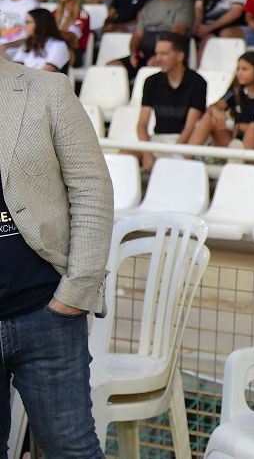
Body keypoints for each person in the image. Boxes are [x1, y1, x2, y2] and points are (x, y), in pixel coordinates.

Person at [0, 53, 113, 459]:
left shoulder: (47, 90)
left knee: (72, 448)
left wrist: (75, 292)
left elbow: (92, 189)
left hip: (45, 314)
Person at [188, 51, 254, 151]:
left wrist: (243, 127)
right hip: (236, 143)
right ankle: (187, 156)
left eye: (244, 69)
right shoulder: (236, 91)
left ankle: (239, 163)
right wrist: (216, 111)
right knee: (210, 116)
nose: (239, 73)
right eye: (238, 69)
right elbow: (214, 106)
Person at [137, 33, 207, 173]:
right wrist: (147, 152)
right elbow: (142, 125)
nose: (158, 59)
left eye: (164, 54)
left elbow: (189, 128)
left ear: (180, 56)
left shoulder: (197, 82)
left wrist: (171, 154)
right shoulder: (151, 81)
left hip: (184, 143)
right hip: (158, 141)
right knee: (125, 156)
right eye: (157, 53)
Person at [114, 0, 194, 78]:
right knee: (112, 68)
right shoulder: (148, 6)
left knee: (152, 68)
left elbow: (178, 33)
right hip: (143, 55)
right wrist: (134, 53)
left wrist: (159, 56)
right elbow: (137, 35)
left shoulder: (185, 3)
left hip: (168, 56)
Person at [52, 0, 90, 66]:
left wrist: (47, 30)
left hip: (74, 54)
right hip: (54, 49)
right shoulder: (54, 13)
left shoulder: (82, 15)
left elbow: (70, 36)